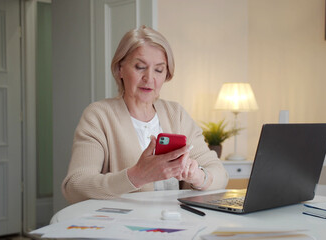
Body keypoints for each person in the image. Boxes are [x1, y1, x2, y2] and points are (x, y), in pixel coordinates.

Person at [62, 26, 229, 204]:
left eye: (158, 70)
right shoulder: (99, 116)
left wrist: (197, 176)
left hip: (175, 223)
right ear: (120, 69)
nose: (149, 78)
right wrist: (136, 176)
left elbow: (220, 174)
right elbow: (75, 187)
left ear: (167, 74)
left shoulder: (176, 114)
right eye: (140, 67)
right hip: (121, 225)